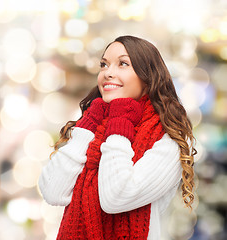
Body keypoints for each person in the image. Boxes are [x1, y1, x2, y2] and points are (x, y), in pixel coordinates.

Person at [39, 35, 196, 240]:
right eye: (104, 65)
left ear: (148, 78)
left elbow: (116, 197)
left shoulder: (169, 139)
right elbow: (53, 191)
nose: (108, 73)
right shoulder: (92, 125)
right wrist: (86, 128)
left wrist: (119, 122)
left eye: (123, 64)